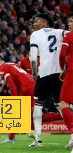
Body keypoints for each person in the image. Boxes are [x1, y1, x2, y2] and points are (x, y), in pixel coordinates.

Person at [29, 14, 66, 146]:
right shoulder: (61, 32)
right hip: (59, 75)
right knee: (62, 106)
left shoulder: (35, 35)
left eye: (36, 21)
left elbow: (33, 58)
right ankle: (72, 137)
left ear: (45, 24)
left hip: (44, 74)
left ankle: (38, 139)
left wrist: (34, 73)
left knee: (38, 107)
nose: (34, 24)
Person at [0, 53, 35, 144]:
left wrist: (15, 99)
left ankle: (14, 137)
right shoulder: (10, 64)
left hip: (25, 88)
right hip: (31, 85)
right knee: (35, 115)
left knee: (15, 114)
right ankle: (62, 115)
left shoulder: (3, 68)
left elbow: (11, 83)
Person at [58, 14, 73, 148]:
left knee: (63, 103)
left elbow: (62, 54)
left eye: (72, 21)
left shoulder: (69, 36)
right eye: (68, 20)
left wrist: (63, 68)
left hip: (72, 72)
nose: (69, 24)